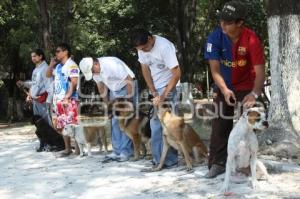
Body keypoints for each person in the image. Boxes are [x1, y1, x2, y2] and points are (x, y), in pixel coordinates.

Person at [204, 0, 265, 178]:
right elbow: (214, 69)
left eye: (229, 22)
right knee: (219, 124)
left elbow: (260, 71)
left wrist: (254, 93)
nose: (223, 25)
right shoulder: (214, 37)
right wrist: (224, 89)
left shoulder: (251, 38)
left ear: (240, 23)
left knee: (249, 125)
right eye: (221, 21)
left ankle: (247, 164)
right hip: (224, 85)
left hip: (247, 86)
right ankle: (218, 163)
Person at [131, 29, 181, 168]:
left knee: (170, 124)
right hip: (156, 89)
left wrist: (164, 95)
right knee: (155, 123)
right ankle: (158, 159)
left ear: (150, 38)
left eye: (145, 48)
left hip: (170, 87)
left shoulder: (164, 47)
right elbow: (145, 69)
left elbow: (177, 73)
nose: (144, 51)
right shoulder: (141, 48)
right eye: (141, 50)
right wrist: (152, 90)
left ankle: (170, 160)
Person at [79, 56, 136, 162]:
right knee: (114, 121)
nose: (93, 74)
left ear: (95, 64)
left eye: (92, 71)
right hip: (114, 90)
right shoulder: (95, 72)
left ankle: (126, 151)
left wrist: (129, 100)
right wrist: (107, 106)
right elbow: (101, 87)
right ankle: (117, 151)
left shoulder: (111, 64)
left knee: (125, 121)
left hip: (127, 87)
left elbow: (129, 80)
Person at [46, 43, 80, 157]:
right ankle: (68, 148)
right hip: (58, 99)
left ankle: (78, 149)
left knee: (72, 123)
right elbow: (48, 74)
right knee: (61, 125)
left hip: (69, 99)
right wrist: (51, 65)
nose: (56, 53)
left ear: (66, 52)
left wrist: (67, 97)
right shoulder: (59, 66)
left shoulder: (72, 65)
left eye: (58, 51)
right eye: (56, 51)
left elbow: (74, 82)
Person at [16, 49, 52, 151]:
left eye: (35, 56)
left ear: (41, 56)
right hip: (36, 100)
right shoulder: (36, 70)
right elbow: (34, 84)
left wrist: (48, 99)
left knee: (46, 122)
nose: (33, 58)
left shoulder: (45, 68)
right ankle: (43, 144)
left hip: (43, 99)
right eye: (32, 56)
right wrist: (24, 85)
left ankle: (51, 144)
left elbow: (49, 86)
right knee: (39, 123)